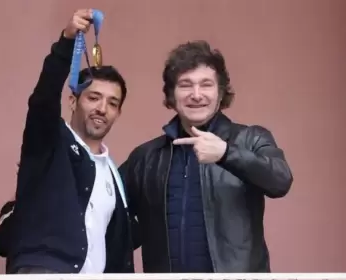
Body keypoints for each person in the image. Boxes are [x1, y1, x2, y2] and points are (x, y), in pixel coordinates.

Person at [121, 40, 294, 273]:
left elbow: (280, 181)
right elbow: (109, 218)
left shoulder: (250, 138)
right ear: (171, 95)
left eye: (206, 85)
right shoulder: (145, 157)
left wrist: (225, 153)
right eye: (185, 85)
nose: (196, 94)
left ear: (221, 93)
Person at [0, 9, 135, 274]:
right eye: (93, 98)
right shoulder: (50, 142)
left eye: (112, 103)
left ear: (118, 113)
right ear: (72, 101)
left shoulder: (113, 173)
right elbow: (43, 98)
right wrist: (67, 42)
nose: (102, 108)